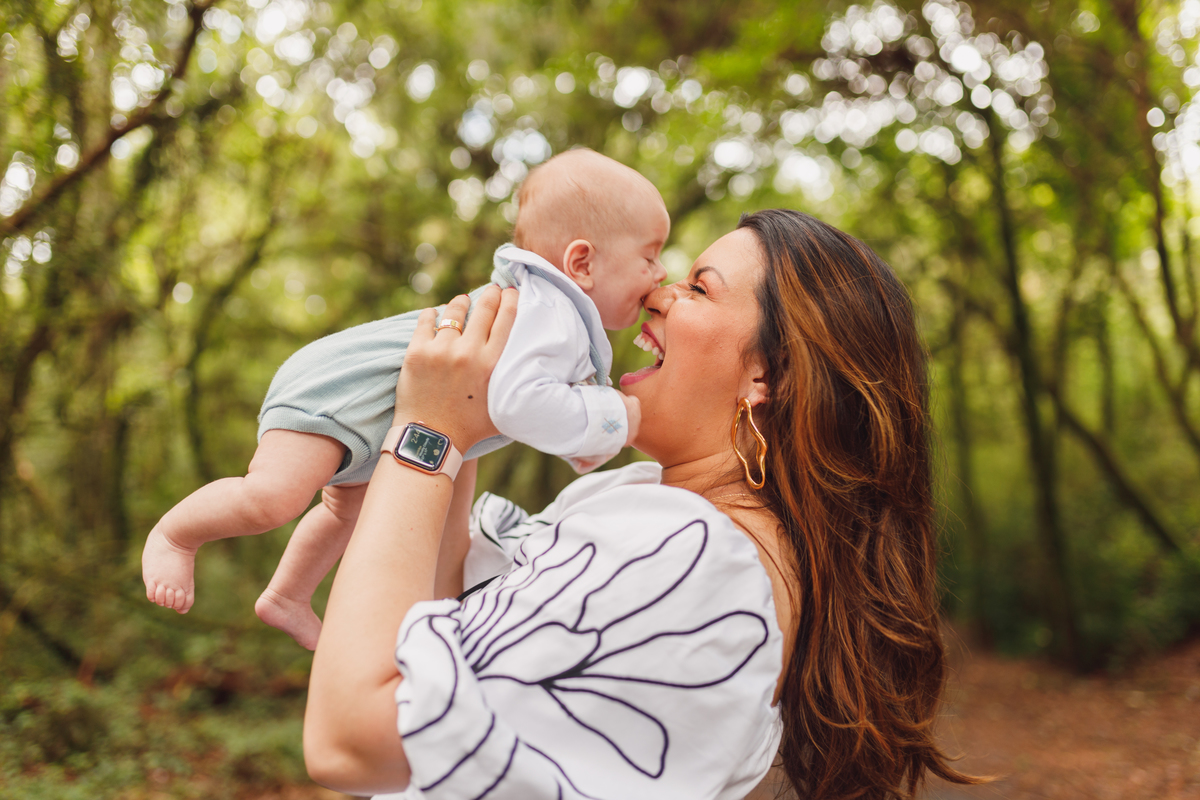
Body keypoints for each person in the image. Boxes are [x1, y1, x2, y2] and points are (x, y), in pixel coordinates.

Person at [303, 209, 981, 799]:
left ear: (764, 374)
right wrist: (469, 419)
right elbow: (445, 630)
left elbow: (351, 741)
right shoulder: (646, 504)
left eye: (697, 288)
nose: (657, 295)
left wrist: (425, 434)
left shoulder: (691, 555)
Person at [141, 149, 669, 650]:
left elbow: (527, 402)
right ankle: (176, 536)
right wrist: (612, 419)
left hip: (378, 415)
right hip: (343, 389)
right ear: (581, 263)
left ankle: (287, 597)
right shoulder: (549, 311)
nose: (661, 274)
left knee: (346, 513)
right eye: (650, 256)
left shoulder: (554, 313)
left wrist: (582, 438)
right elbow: (518, 402)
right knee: (273, 498)